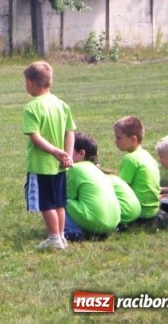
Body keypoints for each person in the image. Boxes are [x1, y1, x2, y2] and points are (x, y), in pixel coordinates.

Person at [22, 61, 76, 251]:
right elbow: (70, 131)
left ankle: (54, 238)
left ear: (30, 82)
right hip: (61, 164)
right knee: (59, 202)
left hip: (41, 165)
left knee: (46, 204)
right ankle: (61, 236)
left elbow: (35, 136)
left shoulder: (31, 107)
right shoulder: (61, 104)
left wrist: (54, 151)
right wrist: (67, 154)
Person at [64, 132, 121, 241]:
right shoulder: (97, 169)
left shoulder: (75, 169)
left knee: (58, 198)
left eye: (68, 149)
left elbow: (69, 196)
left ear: (81, 153)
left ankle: (73, 231)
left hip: (96, 222)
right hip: (113, 222)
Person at [113, 116, 160, 223]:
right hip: (152, 211)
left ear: (133, 139)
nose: (115, 141)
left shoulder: (130, 159)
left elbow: (120, 187)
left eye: (118, 138)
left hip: (138, 213)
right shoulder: (146, 155)